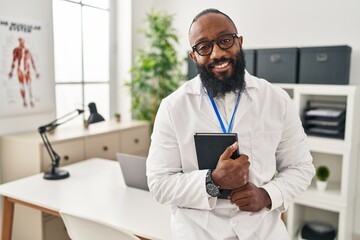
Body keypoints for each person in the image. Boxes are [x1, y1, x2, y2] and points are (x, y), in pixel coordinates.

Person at [146, 8, 315, 240]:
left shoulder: (276, 99)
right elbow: (159, 184)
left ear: (240, 42)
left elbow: (301, 167)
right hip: (197, 232)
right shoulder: (173, 107)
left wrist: (267, 195)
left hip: (262, 230)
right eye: (204, 47)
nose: (217, 53)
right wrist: (212, 181)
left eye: (225, 40)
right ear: (193, 56)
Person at [8, 37, 39, 107]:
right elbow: (13, 61)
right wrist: (11, 72)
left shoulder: (27, 50)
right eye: (21, 41)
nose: (22, 43)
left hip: (27, 70)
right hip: (20, 70)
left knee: (29, 86)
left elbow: (32, 61)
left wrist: (36, 72)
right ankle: (24, 101)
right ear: (19, 42)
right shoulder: (16, 50)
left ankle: (31, 100)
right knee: (22, 86)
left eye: (23, 41)